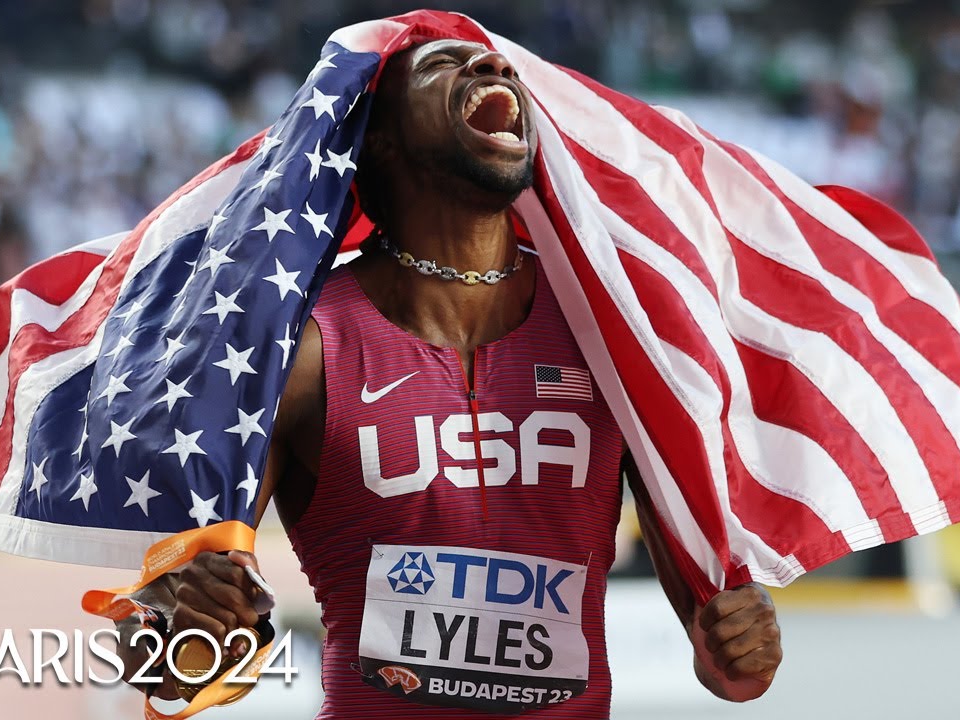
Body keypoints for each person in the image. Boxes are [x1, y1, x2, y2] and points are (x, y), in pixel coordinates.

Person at [117, 38, 783, 717]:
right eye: (441, 65)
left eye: (499, 66)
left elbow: (731, 674)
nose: (493, 68)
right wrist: (180, 617)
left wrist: (735, 644)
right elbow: (166, 670)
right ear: (381, 141)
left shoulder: (609, 329)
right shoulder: (306, 352)